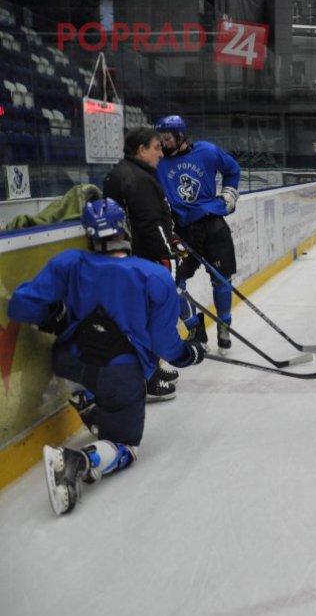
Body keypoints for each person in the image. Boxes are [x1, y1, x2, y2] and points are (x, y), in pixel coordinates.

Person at [7, 199, 204, 516]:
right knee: (127, 447)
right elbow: (163, 341)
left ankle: (86, 400)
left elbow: (20, 305)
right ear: (124, 228)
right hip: (119, 376)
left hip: (69, 363)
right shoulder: (154, 275)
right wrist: (188, 355)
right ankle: (77, 460)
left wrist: (53, 318)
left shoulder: (69, 262)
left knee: (90, 380)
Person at [103, 126, 182, 401]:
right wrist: (168, 255)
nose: (161, 153)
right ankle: (146, 379)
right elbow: (150, 224)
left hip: (130, 261)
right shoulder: (137, 178)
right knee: (142, 321)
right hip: (141, 261)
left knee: (141, 320)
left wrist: (170, 238)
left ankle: (151, 368)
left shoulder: (126, 173)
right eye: (156, 148)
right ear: (141, 150)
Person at [154, 115, 242, 352]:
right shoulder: (158, 161)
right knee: (173, 283)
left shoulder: (207, 151)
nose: (163, 143)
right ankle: (195, 327)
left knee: (222, 280)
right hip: (181, 231)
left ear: (180, 136)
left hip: (212, 225)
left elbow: (233, 170)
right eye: (160, 138)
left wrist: (230, 193)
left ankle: (224, 326)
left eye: (167, 138)